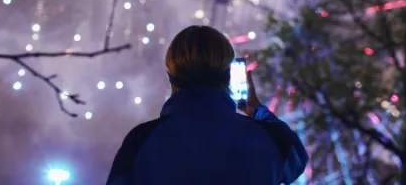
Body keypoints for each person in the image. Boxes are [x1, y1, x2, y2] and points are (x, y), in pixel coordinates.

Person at [106, 25, 308, 185]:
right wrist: (256, 111)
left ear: (171, 76)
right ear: (229, 75)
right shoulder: (267, 140)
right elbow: (296, 158)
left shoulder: (141, 141)